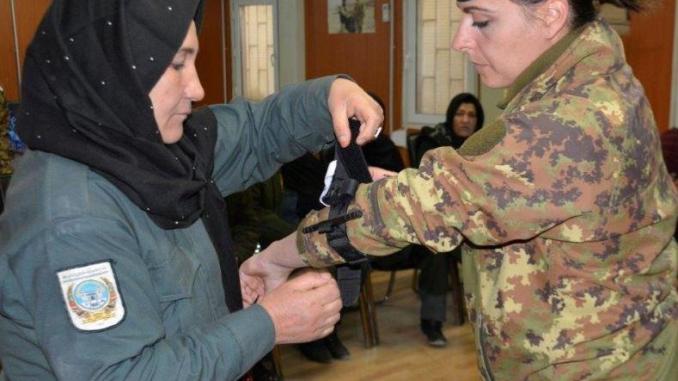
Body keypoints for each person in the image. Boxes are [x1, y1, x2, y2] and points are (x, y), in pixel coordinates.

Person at [241, 0, 678, 380]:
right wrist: (430, 193)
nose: (459, 41)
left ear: (551, 13)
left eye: (481, 20)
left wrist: (277, 257)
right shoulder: (585, 77)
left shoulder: (571, 120)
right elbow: (506, 197)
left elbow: (407, 211)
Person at [0, 1, 384, 380]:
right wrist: (268, 324)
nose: (197, 88)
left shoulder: (150, 150)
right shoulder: (71, 219)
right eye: (177, 64)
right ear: (112, 70)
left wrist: (330, 96)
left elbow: (256, 131)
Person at [410, 92, 485, 346]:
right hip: (434, 223)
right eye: (460, 114)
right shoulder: (434, 143)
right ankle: (431, 322)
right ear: (451, 117)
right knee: (437, 247)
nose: (465, 120)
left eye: (472, 115)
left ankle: (494, 320)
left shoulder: (484, 147)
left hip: (472, 226)